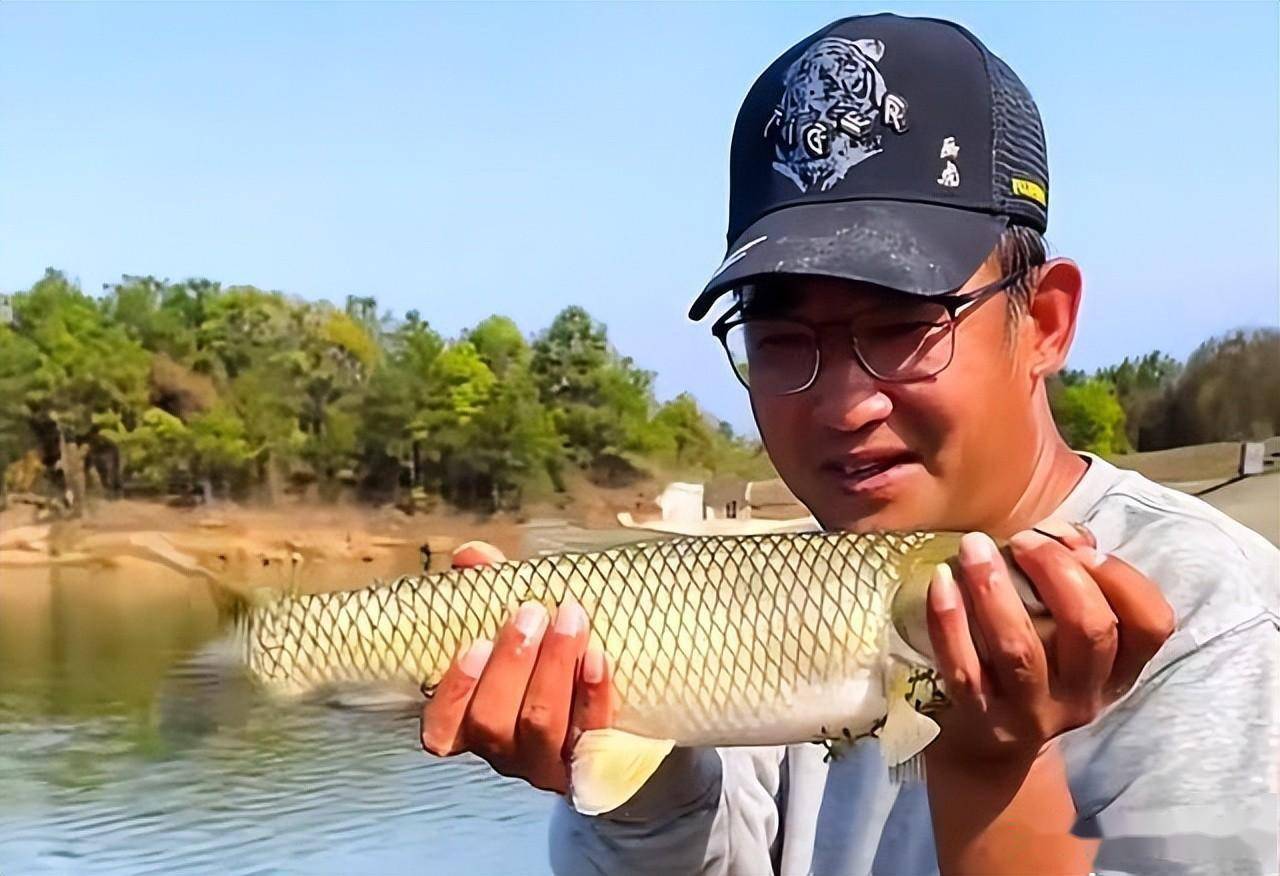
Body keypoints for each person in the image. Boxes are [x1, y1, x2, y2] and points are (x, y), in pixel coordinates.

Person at [421, 13, 1279, 875]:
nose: (842, 404)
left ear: (1046, 322)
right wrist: (644, 795)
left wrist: (992, 773)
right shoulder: (767, 599)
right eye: (783, 338)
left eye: (905, 327)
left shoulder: (1217, 626)